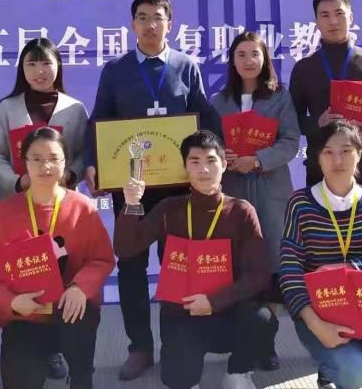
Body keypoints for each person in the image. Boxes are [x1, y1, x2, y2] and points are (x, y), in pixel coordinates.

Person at [82, 0, 222, 380]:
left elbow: (204, 117)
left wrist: (216, 159)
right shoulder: (116, 70)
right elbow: (99, 120)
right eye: (142, 18)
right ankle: (140, 347)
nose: (150, 25)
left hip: (176, 189)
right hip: (131, 188)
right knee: (131, 265)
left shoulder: (186, 66)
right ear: (132, 25)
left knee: (177, 266)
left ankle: (178, 343)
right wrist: (93, 163)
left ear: (169, 24)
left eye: (157, 17)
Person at [114, 130, 274, 389]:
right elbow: (125, 249)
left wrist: (214, 301)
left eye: (211, 160)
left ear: (224, 164)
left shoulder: (241, 211)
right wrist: (131, 204)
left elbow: (259, 275)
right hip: (182, 314)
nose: (204, 169)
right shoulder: (169, 209)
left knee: (262, 320)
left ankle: (237, 372)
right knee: (179, 379)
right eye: (195, 161)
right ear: (185, 167)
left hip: (228, 311)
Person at [0, 127, 115, 389]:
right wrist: (12, 301)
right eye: (36, 158)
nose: (45, 166)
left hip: (71, 309)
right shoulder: (5, 212)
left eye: (53, 158)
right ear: (24, 163)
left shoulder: (82, 207)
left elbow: (102, 259)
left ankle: (80, 376)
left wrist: (80, 287)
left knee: (79, 321)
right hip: (25, 314)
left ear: (65, 163)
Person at [0, 37, 89, 378]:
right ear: (22, 69)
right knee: (22, 275)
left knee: (61, 273)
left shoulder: (75, 109)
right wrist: (17, 182)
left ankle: (54, 348)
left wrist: (70, 175)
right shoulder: (7, 108)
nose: (39, 71)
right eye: (31, 64)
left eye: (46, 63)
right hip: (18, 206)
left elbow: (84, 153)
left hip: (61, 208)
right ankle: (24, 344)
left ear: (58, 66)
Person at [279, 121, 362, 389]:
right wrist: (315, 323)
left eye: (346, 151)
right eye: (328, 152)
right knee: (352, 374)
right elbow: (289, 269)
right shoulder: (300, 203)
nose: (338, 160)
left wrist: (341, 270)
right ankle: (334, 370)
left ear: (359, 153)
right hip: (321, 307)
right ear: (318, 158)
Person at [208, 31, 300, 370]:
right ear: (232, 61)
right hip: (232, 192)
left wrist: (258, 159)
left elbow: (290, 141)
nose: (249, 60)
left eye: (255, 54)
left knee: (270, 271)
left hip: (270, 193)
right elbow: (208, 143)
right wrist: (222, 155)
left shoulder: (280, 97)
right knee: (238, 269)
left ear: (265, 59)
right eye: (241, 54)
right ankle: (242, 342)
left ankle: (267, 345)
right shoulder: (218, 102)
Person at [289, 0, 362, 191]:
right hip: (320, 170)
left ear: (351, 17)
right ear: (317, 22)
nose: (333, 21)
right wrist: (317, 123)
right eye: (325, 15)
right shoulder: (304, 68)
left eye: (339, 13)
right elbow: (290, 119)